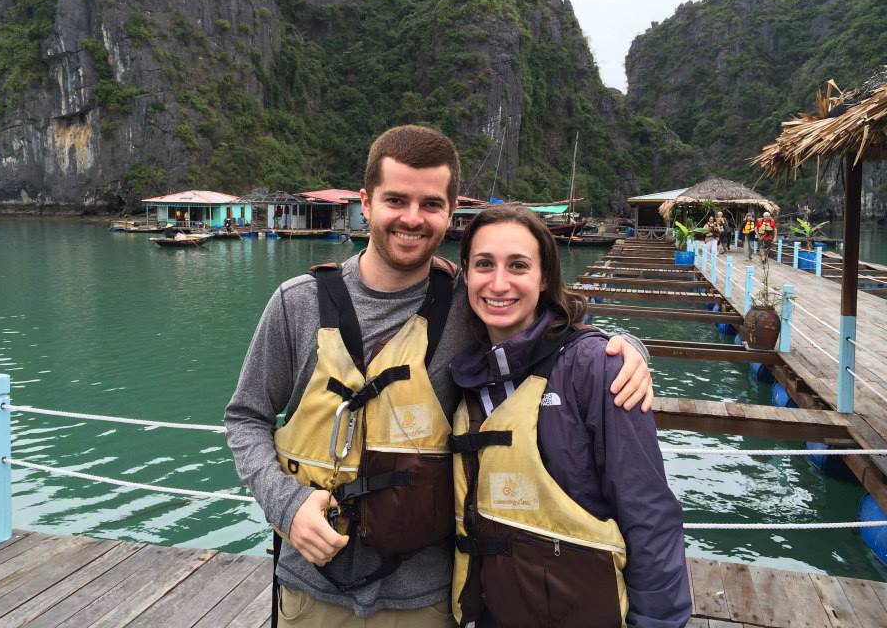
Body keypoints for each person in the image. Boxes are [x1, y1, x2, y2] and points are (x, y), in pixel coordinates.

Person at [224, 125, 654, 626]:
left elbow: (556, 331)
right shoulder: (296, 304)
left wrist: (629, 351)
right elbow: (245, 417)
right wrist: (287, 505)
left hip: (425, 598)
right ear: (366, 203)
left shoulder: (469, 308)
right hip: (309, 589)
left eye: (430, 204)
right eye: (395, 200)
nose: (411, 218)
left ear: (451, 212)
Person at [450, 205, 691, 628]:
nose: (499, 283)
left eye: (518, 266)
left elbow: (648, 510)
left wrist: (657, 621)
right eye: (484, 265)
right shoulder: (464, 370)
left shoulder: (597, 368)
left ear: (544, 278)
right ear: (465, 274)